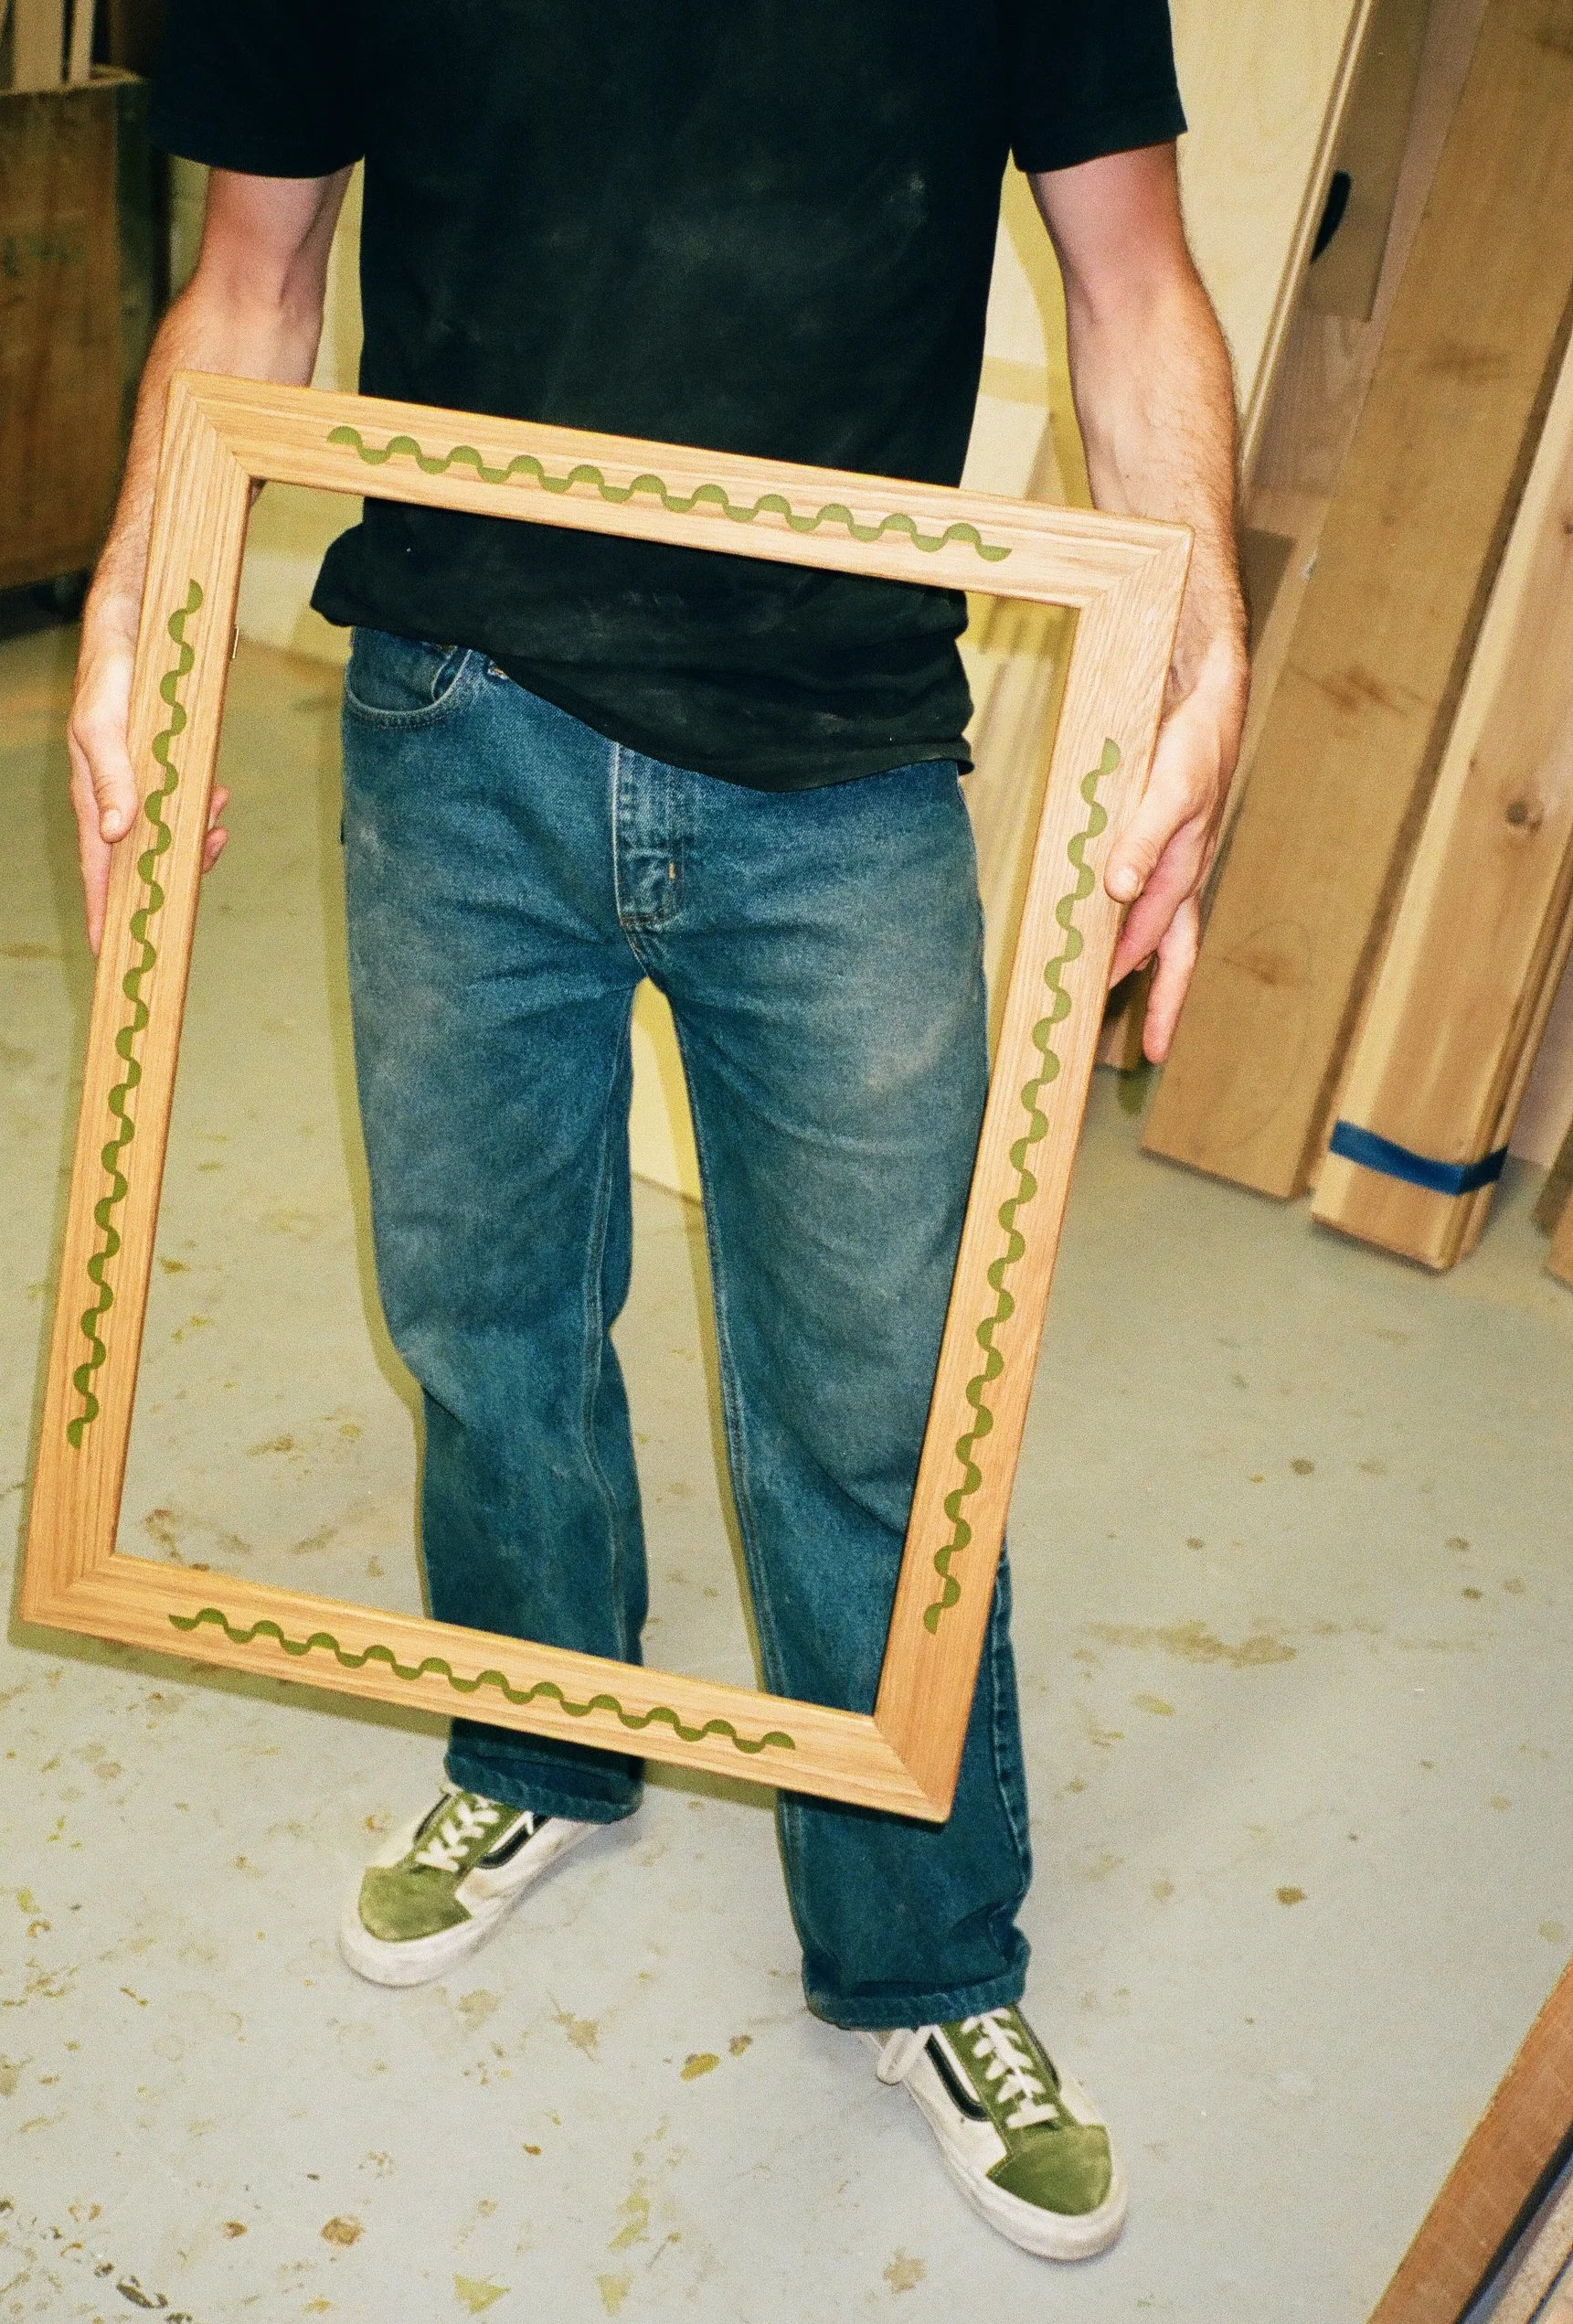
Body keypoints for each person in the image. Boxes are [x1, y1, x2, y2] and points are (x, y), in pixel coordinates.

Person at [68, 0, 1248, 2266]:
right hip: (453, 703)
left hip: (846, 761)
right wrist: (146, 591)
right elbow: (249, 277)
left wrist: (1207, 634)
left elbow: (1136, 281)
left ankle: (922, 1954)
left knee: (883, 1398)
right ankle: (534, 1744)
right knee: (486, 1309)